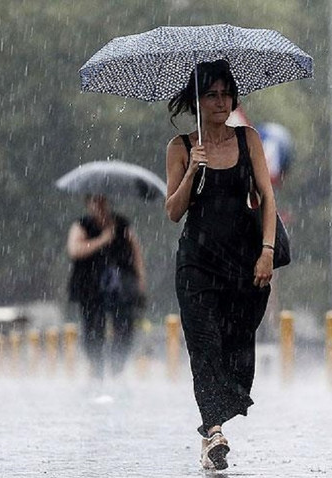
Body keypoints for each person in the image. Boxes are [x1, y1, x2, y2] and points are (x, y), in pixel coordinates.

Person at [164, 59, 276, 471]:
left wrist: (266, 250)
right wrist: (193, 168)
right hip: (196, 265)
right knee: (204, 346)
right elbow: (173, 210)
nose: (220, 101)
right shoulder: (180, 148)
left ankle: (216, 415)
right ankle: (213, 434)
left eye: (226, 93)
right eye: (211, 94)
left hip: (242, 263)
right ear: (197, 100)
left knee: (235, 345)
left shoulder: (248, 140)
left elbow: (266, 196)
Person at [66, 194, 147, 381]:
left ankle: (117, 368)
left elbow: (136, 253)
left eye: (103, 201)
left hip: (120, 287)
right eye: (95, 201)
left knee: (125, 327)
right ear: (88, 204)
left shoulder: (121, 224)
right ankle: (96, 369)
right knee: (93, 328)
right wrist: (101, 240)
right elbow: (74, 250)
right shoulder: (81, 225)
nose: (100, 205)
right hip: (90, 287)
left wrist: (140, 280)